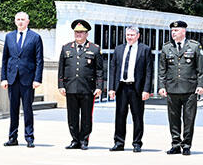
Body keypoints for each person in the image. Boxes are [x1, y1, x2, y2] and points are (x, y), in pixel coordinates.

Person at [158, 20, 203, 155]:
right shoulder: (167, 47)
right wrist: (162, 86)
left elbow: (201, 68)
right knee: (173, 118)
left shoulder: (194, 46)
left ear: (183, 31)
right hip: (172, 88)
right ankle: (175, 143)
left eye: (176, 30)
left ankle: (186, 145)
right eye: (172, 30)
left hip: (189, 89)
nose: (173, 33)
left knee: (189, 118)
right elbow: (162, 69)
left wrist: (201, 85)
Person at [57, 19, 104, 150]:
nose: (78, 34)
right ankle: (75, 139)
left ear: (86, 34)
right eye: (76, 32)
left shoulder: (94, 49)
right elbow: (61, 68)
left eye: (81, 32)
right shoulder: (66, 48)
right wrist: (61, 85)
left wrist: (99, 87)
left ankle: (84, 140)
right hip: (70, 87)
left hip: (87, 88)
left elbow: (99, 70)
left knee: (86, 116)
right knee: (72, 116)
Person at [0, 11, 43, 147]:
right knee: (13, 109)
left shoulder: (35, 37)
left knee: (27, 109)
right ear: (15, 21)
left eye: (23, 19)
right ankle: (12, 137)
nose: (20, 22)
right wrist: (3, 78)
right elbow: (5, 59)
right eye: (18, 19)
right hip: (12, 79)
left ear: (28, 21)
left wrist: (37, 79)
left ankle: (29, 137)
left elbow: (39, 60)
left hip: (28, 80)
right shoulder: (9, 37)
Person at [108, 25, 154, 152]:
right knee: (120, 116)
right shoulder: (119, 49)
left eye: (132, 35)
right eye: (128, 35)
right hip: (121, 87)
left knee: (137, 117)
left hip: (136, 88)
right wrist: (111, 88)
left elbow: (149, 71)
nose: (129, 37)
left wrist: (146, 90)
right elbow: (113, 69)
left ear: (138, 36)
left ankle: (137, 143)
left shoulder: (144, 49)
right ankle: (119, 142)